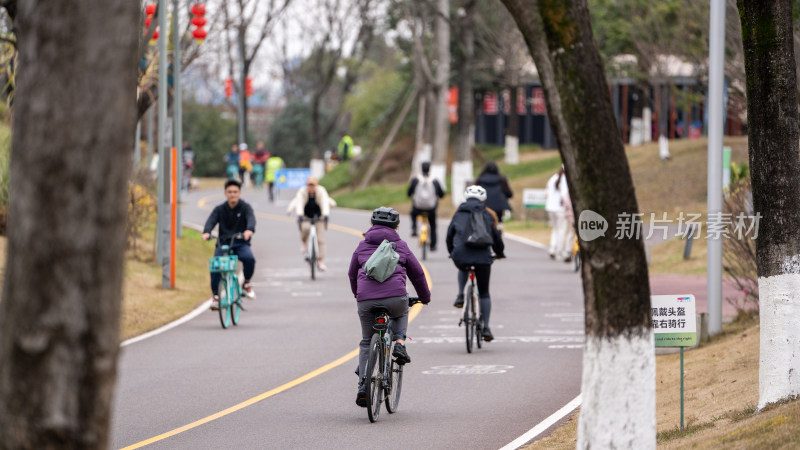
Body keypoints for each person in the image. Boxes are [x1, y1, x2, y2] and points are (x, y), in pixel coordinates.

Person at [348, 207, 431, 407]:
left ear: (371, 224)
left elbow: (352, 275)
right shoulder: (400, 246)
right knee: (402, 309)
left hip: (366, 301)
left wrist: (358, 296)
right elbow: (418, 274)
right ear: (396, 226)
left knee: (367, 342)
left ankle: (363, 385)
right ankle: (400, 343)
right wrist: (424, 297)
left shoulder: (362, 246)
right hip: (395, 299)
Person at [446, 185, 505, 342]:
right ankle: (486, 327)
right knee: (484, 292)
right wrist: (499, 253)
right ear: (483, 199)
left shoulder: (458, 213)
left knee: (463, 265)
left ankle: (460, 295)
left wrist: (452, 251)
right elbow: (496, 237)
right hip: (482, 258)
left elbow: (449, 235)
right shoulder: (487, 214)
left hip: (460, 256)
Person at [202, 180, 257, 309]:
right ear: (225, 193)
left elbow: (251, 219)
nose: (232, 194)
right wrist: (206, 232)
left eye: (235, 192)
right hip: (223, 243)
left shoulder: (245, 207)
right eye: (230, 192)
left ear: (240, 193)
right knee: (216, 265)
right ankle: (216, 296)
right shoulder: (219, 209)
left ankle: (246, 284)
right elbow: (211, 221)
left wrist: (249, 230)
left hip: (240, 243)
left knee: (249, 259)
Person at [287, 176, 331, 271]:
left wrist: (326, 214)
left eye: (313, 185)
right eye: (309, 185)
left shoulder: (321, 191)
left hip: (319, 217)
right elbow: (299, 203)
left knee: (320, 239)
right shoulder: (302, 191)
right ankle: (304, 242)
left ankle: (320, 260)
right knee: (305, 228)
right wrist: (299, 215)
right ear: (307, 185)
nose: (311, 187)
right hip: (306, 216)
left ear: (316, 185)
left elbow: (324, 202)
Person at [407, 162, 445, 250]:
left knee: (412, 214)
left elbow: (409, 193)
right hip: (431, 209)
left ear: (421, 169)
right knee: (433, 225)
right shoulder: (434, 180)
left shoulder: (416, 180)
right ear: (429, 169)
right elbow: (441, 194)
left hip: (418, 208)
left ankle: (414, 228)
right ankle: (433, 245)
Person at [545, 167, 570, 260]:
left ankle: (552, 248)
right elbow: (564, 195)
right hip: (560, 209)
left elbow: (546, 193)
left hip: (550, 207)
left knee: (555, 229)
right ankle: (560, 251)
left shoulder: (552, 178)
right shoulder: (565, 180)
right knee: (561, 230)